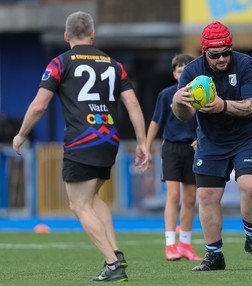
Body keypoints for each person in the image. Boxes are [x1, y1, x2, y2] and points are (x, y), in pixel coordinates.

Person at [12, 11, 149, 282]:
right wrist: (142, 142)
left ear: (66, 36)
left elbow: (40, 104)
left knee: (78, 204)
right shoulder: (114, 64)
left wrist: (21, 134)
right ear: (93, 34)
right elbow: (132, 103)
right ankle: (116, 254)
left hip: (81, 139)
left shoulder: (60, 62)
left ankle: (112, 265)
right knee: (92, 198)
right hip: (109, 139)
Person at [172, 21, 252, 271]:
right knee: (206, 195)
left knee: (250, 186)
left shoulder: (247, 64)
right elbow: (183, 116)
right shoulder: (192, 72)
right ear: (204, 51)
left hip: (249, 134)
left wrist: (222, 106)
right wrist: (178, 102)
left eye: (226, 52)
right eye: (215, 55)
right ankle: (214, 256)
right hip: (212, 138)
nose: (221, 59)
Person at [146, 54, 202, 261]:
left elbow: (209, 123)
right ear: (174, 74)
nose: (182, 73)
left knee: (190, 198)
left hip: (193, 151)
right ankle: (170, 245)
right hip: (171, 149)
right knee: (173, 196)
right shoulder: (166, 95)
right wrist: (146, 146)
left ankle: (185, 244)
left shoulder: (201, 95)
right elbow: (155, 122)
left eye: (186, 69)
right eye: (179, 70)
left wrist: (202, 139)